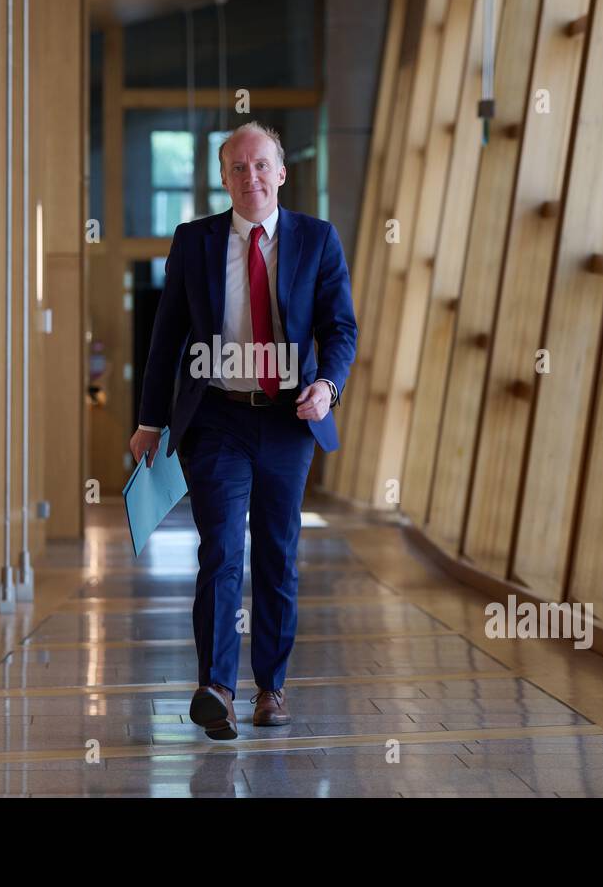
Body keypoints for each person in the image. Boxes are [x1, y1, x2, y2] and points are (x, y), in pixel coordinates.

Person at [128, 121, 358, 740]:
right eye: (237, 168)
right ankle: (217, 689)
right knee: (223, 550)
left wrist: (327, 385)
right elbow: (167, 338)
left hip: (288, 418)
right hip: (218, 418)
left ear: (282, 173)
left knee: (278, 555)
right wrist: (150, 421)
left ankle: (271, 688)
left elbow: (341, 329)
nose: (250, 178)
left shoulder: (317, 239)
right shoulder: (194, 242)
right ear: (224, 178)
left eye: (261, 166)